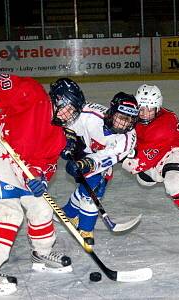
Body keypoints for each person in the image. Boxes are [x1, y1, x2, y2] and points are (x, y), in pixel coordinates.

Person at [0, 74, 78, 296]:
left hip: (21, 169)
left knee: (42, 206)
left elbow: (46, 164)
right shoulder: (34, 94)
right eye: (67, 107)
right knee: (11, 213)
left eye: (73, 112)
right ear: (56, 98)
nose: (68, 115)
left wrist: (40, 179)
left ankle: (43, 253)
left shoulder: (58, 135)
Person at [50, 78, 139, 246]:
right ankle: (70, 214)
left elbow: (107, 157)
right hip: (80, 148)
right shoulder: (89, 113)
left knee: (93, 188)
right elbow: (62, 120)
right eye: (121, 117)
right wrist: (65, 139)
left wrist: (87, 164)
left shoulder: (128, 138)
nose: (124, 123)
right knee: (89, 186)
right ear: (111, 111)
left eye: (129, 120)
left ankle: (85, 227)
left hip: (97, 159)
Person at [122, 84, 179, 239]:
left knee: (173, 182)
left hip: (174, 150)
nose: (145, 114)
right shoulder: (134, 117)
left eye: (150, 109)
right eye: (141, 108)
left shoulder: (164, 123)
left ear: (158, 108)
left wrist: (118, 157)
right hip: (152, 150)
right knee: (144, 180)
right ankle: (156, 174)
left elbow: (139, 163)